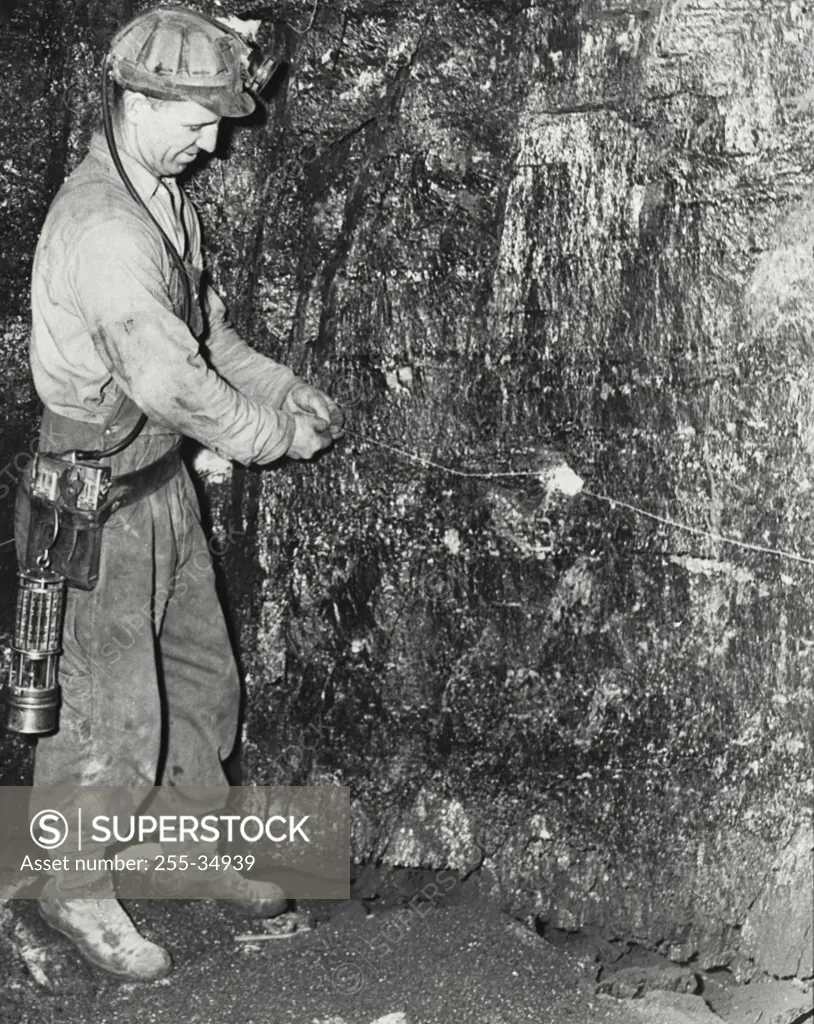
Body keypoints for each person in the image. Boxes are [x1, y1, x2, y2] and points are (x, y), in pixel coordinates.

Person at [16, 6, 343, 981]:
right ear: (137, 96)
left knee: (200, 680)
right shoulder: (104, 227)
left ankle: (176, 839)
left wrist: (280, 385)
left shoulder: (163, 198)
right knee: (108, 715)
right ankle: (73, 882)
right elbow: (170, 380)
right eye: (198, 119)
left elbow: (205, 337)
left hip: (157, 481)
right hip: (90, 497)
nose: (216, 139)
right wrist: (272, 434)